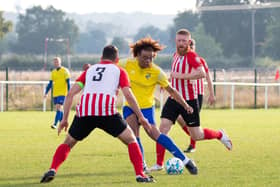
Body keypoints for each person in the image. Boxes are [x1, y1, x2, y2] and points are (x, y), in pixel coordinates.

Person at [40, 45, 155, 183]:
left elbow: (71, 94)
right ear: (116, 59)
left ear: (101, 58)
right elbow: (128, 95)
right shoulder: (119, 70)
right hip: (106, 111)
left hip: (85, 111)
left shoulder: (90, 70)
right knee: (131, 140)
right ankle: (140, 174)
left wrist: (64, 119)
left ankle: (53, 169)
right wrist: (141, 117)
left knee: (68, 143)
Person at [150, 29, 232, 171]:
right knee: (162, 129)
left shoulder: (191, 56)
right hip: (173, 98)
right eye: (179, 40)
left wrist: (180, 76)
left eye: (184, 41)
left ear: (189, 42)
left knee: (197, 135)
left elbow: (201, 73)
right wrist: (168, 83)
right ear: (175, 41)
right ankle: (159, 164)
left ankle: (220, 135)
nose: (181, 43)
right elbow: (175, 75)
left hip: (188, 101)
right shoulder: (175, 55)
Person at [119, 37, 197, 175]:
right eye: (144, 58)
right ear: (137, 55)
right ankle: (141, 165)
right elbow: (110, 67)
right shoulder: (126, 64)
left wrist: (185, 104)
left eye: (150, 58)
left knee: (155, 135)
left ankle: (185, 160)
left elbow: (171, 90)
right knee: (134, 136)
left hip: (147, 108)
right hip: (130, 107)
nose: (148, 61)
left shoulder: (157, 72)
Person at [176, 38, 216, 153]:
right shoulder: (182, 60)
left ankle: (192, 145)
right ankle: (195, 138)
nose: (191, 48)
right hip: (184, 94)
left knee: (191, 122)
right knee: (179, 118)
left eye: (193, 46)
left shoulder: (200, 60)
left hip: (196, 95)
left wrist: (212, 94)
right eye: (190, 46)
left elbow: (208, 77)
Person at [44, 57, 70, 129]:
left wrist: (69, 92)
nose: (56, 63)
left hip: (63, 93)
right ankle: (63, 123)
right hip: (55, 93)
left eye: (57, 62)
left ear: (60, 62)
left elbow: (68, 83)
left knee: (58, 107)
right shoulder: (53, 72)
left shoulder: (65, 71)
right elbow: (50, 84)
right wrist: (46, 92)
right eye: (55, 62)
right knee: (59, 109)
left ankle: (55, 124)